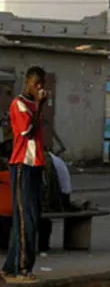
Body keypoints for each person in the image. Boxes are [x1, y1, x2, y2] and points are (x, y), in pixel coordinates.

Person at [2, 66, 47, 283]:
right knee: (25, 220)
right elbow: (27, 131)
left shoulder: (33, 105)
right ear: (28, 82)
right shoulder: (19, 104)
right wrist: (38, 106)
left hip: (35, 164)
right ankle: (21, 268)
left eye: (41, 85)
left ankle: (10, 266)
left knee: (31, 218)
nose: (39, 88)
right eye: (36, 84)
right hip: (22, 165)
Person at [38, 150, 73, 252]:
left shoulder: (44, 162)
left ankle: (41, 245)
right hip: (56, 199)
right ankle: (43, 245)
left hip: (50, 201)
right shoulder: (56, 161)